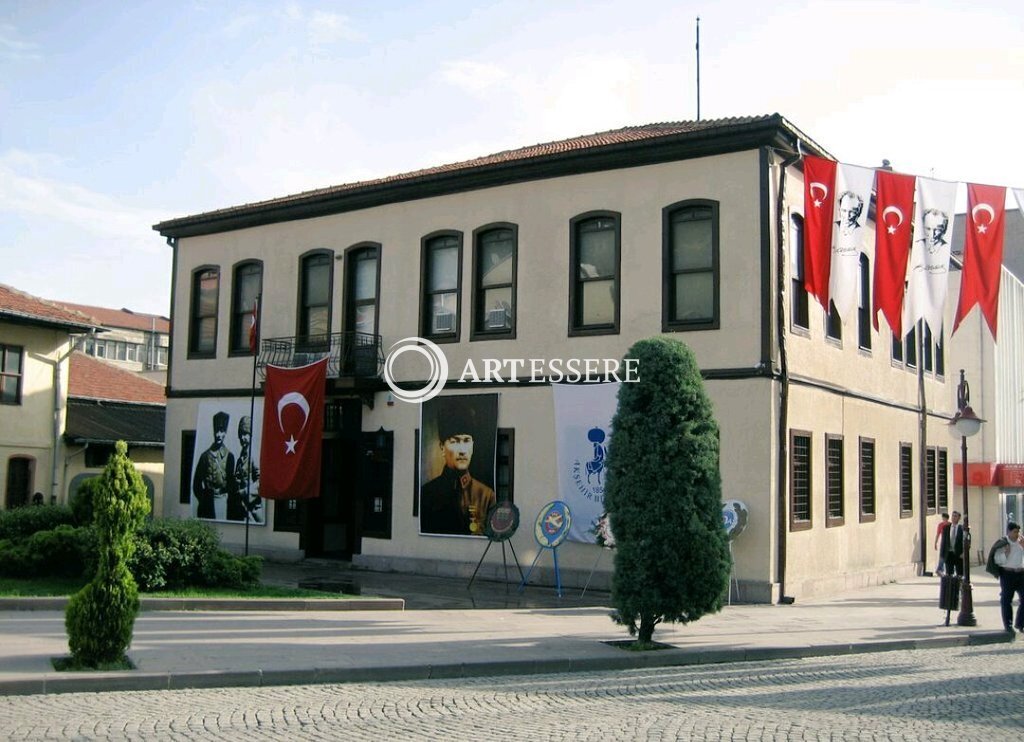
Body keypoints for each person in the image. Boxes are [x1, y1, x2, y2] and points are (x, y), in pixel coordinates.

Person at [420, 399, 496, 536]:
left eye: (466, 441)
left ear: (473, 446)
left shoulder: (486, 495)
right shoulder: (427, 494)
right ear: (442, 447)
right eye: (455, 441)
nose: (462, 450)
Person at [192, 411, 235, 520]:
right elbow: (196, 483)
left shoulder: (229, 456)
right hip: (207, 503)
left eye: (222, 431)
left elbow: (231, 483)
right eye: (216, 431)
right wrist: (204, 499)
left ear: (225, 432)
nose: (219, 435)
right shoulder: (205, 456)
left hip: (222, 501)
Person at [991, 522, 1024, 633]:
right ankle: (1008, 625)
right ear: (1009, 532)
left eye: (1018, 532)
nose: (1017, 534)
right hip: (1007, 574)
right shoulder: (1003, 543)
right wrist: (1006, 553)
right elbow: (996, 560)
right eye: (1014, 532)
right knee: (1006, 600)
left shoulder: (1022, 542)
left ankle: (1020, 623)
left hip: (1021, 573)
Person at [228, 415, 261, 523]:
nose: (243, 438)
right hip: (242, 506)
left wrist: (245, 492)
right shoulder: (241, 458)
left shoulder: (254, 455)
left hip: (254, 508)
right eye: (241, 434)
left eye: (246, 434)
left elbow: (261, 481)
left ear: (251, 435)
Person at [939, 510, 965, 577]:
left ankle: (958, 582)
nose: (953, 518)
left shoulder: (962, 529)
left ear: (959, 518)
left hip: (958, 554)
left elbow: (966, 542)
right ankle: (950, 583)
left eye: (955, 516)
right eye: (953, 516)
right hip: (949, 553)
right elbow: (943, 542)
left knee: (959, 574)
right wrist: (942, 554)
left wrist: (964, 553)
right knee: (949, 573)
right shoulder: (946, 528)